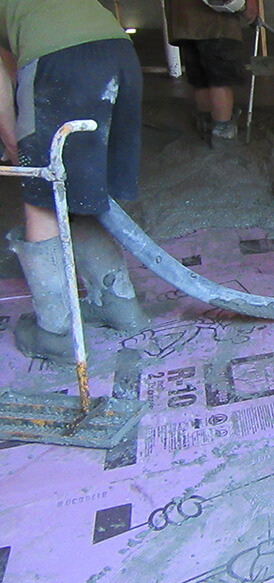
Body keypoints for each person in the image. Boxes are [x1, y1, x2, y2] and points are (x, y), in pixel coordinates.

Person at [0, 0, 148, 364]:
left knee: (43, 194)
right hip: (118, 52)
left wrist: (14, 147)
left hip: (60, 60)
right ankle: (118, 304)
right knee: (85, 184)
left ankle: (54, 331)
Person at [165, 0, 257, 148]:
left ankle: (206, 123)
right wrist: (249, 5)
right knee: (219, 80)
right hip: (215, 22)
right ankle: (223, 130)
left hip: (183, 21)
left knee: (201, 78)